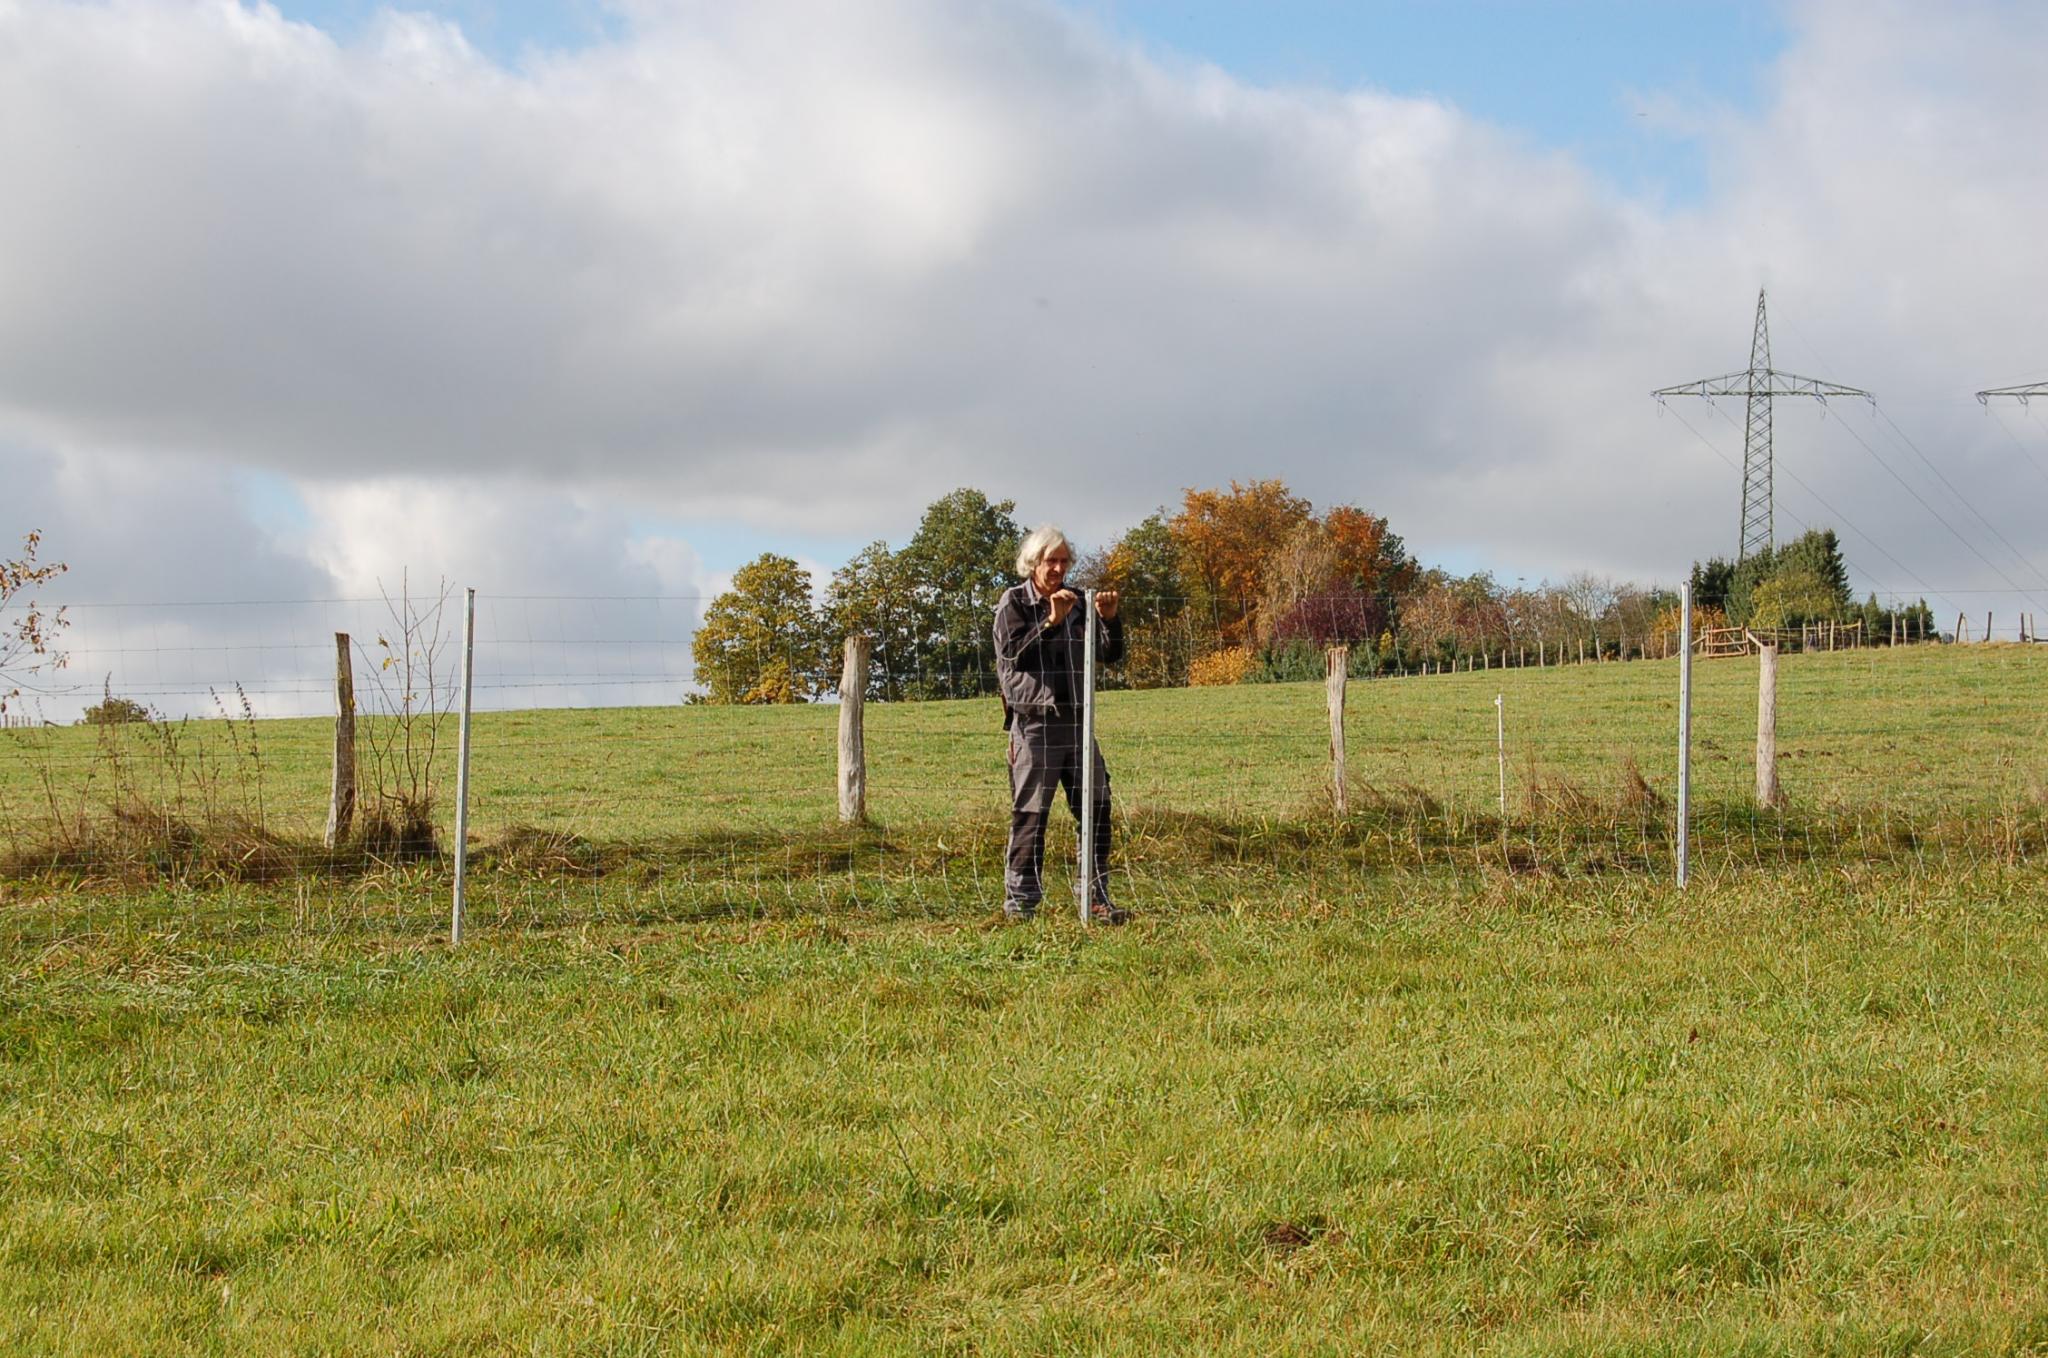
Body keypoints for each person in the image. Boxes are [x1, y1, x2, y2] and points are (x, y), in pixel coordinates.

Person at [993, 525, 1126, 923]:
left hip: (1079, 724)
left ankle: (1095, 898)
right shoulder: (1014, 602)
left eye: (1065, 561)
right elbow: (1014, 656)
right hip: (1034, 725)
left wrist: (1109, 620)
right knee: (1032, 815)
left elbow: (1110, 655)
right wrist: (1051, 621)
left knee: (1097, 810)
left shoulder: (1081, 601)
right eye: (1052, 560)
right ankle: (1021, 906)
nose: (1059, 568)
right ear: (1033, 562)